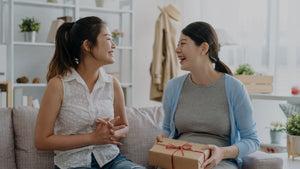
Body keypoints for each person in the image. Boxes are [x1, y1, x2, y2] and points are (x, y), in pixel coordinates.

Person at [34, 16, 145, 169]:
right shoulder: (58, 85)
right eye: (108, 39)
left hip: (111, 160)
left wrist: (111, 132)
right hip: (73, 163)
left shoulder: (112, 83)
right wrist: (93, 137)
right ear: (87, 45)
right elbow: (41, 140)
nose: (114, 45)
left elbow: (124, 125)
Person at [155, 21, 259, 169]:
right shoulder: (173, 87)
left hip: (218, 163)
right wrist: (163, 138)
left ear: (203, 48)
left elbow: (252, 140)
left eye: (183, 44)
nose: (177, 50)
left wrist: (222, 153)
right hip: (180, 159)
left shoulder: (234, 88)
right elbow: (166, 129)